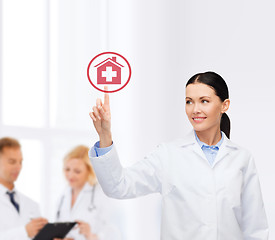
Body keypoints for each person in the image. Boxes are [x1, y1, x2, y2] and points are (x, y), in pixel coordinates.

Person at [88, 72, 269, 240]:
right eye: (189, 101)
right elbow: (118, 186)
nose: (195, 109)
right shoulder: (168, 155)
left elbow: (255, 227)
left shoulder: (242, 158)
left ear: (224, 105)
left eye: (204, 101)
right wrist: (105, 136)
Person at [54, 145, 121, 240]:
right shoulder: (63, 195)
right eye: (67, 169)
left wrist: (90, 236)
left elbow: (113, 233)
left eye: (77, 171)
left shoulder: (101, 193)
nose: (70, 175)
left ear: (89, 171)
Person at [0, 137, 48, 240]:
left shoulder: (32, 205)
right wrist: (25, 232)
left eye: (20, 162)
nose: (18, 167)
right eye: (12, 162)